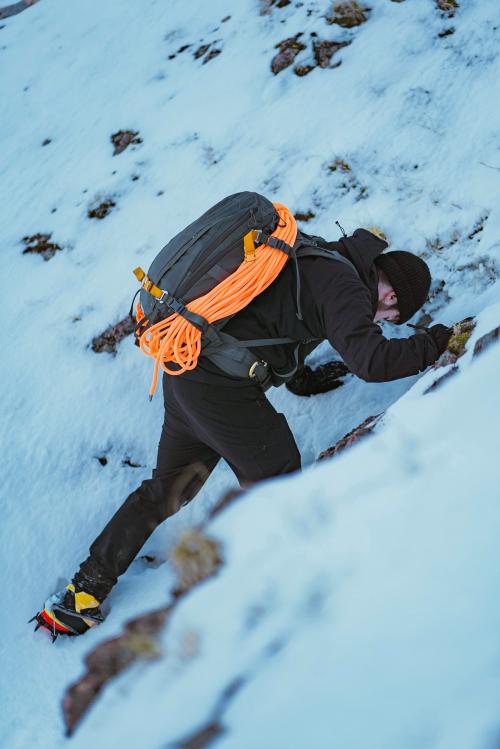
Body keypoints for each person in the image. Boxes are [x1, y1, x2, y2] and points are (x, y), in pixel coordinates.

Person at [34, 227, 452, 637]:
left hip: (186, 372)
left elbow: (281, 318)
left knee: (166, 489)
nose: (381, 321)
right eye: (391, 316)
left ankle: (83, 592)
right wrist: (434, 345)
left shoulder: (318, 253)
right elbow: (372, 361)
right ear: (392, 295)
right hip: (218, 390)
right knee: (279, 479)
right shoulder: (347, 288)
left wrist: (302, 381)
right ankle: (276, 599)